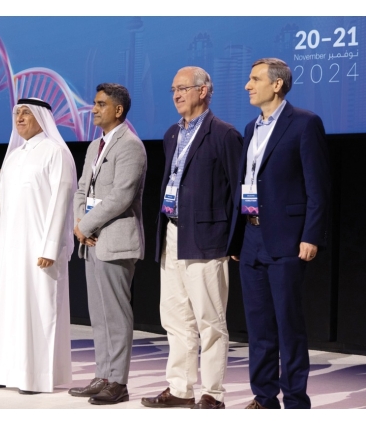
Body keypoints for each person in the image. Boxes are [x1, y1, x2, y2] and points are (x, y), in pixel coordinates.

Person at [228, 58, 330, 409]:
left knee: (288, 325)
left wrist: (311, 235)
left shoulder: (304, 124)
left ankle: (296, 400)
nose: (247, 85)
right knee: (258, 327)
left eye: (254, 79)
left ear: (277, 85)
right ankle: (265, 397)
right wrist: (238, 237)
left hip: (287, 237)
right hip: (252, 238)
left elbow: (317, 187)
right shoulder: (250, 128)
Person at [141, 67, 242, 409]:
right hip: (172, 233)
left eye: (183, 88)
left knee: (209, 320)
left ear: (203, 91)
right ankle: (180, 388)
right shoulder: (172, 134)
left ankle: (213, 391)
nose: (176, 95)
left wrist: (233, 241)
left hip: (207, 237)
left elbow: (236, 194)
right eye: (173, 89)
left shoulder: (224, 134)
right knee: (175, 317)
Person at [0, 98, 76, 394]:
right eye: (16, 113)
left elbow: (62, 203)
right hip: (10, 248)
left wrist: (49, 248)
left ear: (41, 117)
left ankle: (34, 376)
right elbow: (0, 207)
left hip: (38, 249)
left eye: (26, 113)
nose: (19, 118)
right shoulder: (14, 156)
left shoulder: (56, 153)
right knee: (9, 308)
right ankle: (3, 370)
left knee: (39, 308)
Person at [70, 83, 147, 405]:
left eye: (101, 104)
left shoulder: (130, 145)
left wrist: (86, 224)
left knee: (115, 313)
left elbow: (122, 195)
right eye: (94, 103)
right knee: (99, 313)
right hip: (91, 239)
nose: (94, 109)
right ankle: (103, 374)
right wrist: (78, 224)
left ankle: (118, 381)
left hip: (114, 239)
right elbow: (81, 190)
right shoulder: (95, 146)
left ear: (118, 110)